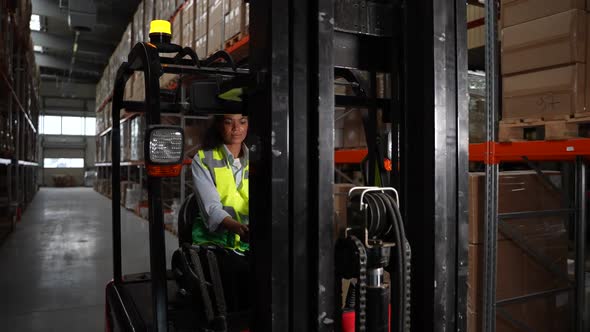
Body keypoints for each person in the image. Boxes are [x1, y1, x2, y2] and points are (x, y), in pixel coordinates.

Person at [191, 113, 250, 311]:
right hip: (214, 242)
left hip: (249, 242)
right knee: (240, 277)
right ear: (218, 124)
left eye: (242, 121)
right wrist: (237, 227)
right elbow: (211, 208)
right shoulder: (203, 159)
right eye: (228, 122)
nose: (236, 128)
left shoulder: (260, 158)